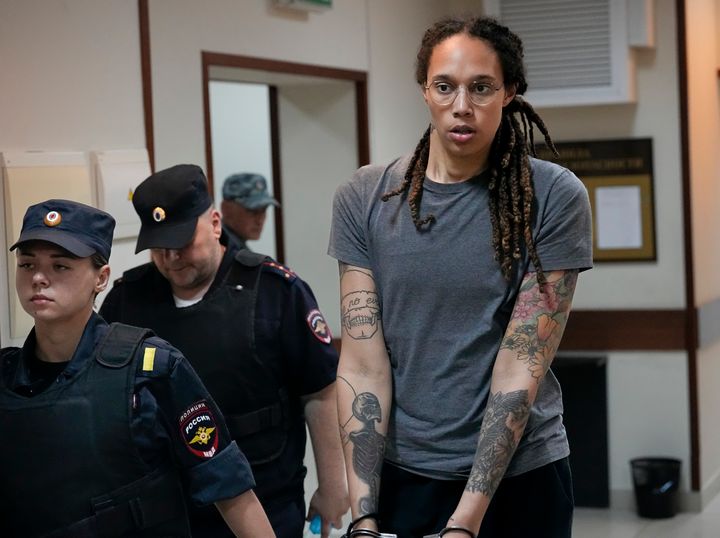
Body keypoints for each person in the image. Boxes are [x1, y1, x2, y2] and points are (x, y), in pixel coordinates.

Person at [328, 16, 592, 538]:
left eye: (482, 87)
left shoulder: (555, 196)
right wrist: (364, 512)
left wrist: (464, 524)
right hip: (405, 475)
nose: (461, 105)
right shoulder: (364, 196)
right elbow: (362, 361)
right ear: (425, 90)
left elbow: (522, 365)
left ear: (510, 92)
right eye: (445, 86)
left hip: (519, 477)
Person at [0, 199, 274, 538]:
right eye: (27, 264)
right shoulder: (6, 377)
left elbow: (227, 484)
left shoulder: (153, 368)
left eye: (61, 266)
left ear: (100, 278)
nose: (39, 278)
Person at [101, 164, 348, 538]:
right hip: (165, 506)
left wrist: (333, 486)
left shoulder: (275, 292)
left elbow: (320, 391)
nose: (170, 259)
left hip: (264, 498)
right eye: (159, 248)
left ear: (215, 223)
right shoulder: (127, 299)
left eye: (182, 243)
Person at [221, 172, 279, 250]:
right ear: (226, 209)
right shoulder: (221, 250)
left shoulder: (234, 247)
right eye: (253, 211)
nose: (260, 220)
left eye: (264, 210)